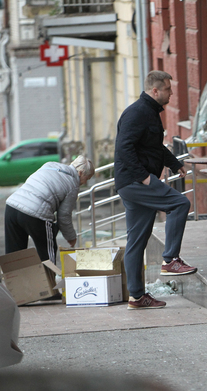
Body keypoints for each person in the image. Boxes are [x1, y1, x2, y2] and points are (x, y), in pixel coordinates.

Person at [115, 70, 196, 310]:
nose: (171, 93)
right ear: (155, 91)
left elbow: (155, 146)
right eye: (168, 89)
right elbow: (123, 148)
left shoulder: (149, 113)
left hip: (134, 183)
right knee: (179, 204)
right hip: (135, 182)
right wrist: (144, 178)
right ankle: (170, 259)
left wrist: (175, 163)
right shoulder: (136, 113)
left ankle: (137, 297)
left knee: (136, 242)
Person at [4, 155, 95, 264]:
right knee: (47, 253)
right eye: (87, 178)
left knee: (15, 255)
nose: (85, 182)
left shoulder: (50, 165)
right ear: (80, 173)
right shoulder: (73, 185)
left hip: (12, 205)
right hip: (36, 213)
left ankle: (13, 280)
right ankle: (49, 279)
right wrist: (71, 237)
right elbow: (64, 216)